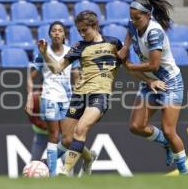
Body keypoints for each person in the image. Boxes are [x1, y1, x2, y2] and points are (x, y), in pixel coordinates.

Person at [38, 10, 127, 176]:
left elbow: (128, 64)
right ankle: (88, 157)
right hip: (79, 95)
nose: (81, 33)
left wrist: (150, 80)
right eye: (79, 31)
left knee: (81, 129)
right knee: (67, 139)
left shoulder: (113, 43)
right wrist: (44, 54)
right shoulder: (79, 46)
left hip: (100, 94)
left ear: (95, 26)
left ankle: (65, 171)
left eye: (84, 30)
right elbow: (57, 68)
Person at [120, 0, 188, 174]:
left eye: (138, 18)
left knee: (168, 130)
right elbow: (129, 32)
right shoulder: (133, 24)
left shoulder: (154, 32)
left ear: (148, 15)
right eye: (132, 17)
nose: (134, 21)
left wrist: (129, 65)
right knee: (136, 126)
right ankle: (166, 145)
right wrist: (125, 48)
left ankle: (185, 173)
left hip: (170, 83)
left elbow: (153, 65)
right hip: (150, 80)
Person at [25, 21, 80, 176]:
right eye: (54, 30)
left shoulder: (72, 52)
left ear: (64, 35)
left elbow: (75, 76)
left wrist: (79, 94)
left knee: (68, 138)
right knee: (54, 136)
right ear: (50, 34)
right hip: (49, 97)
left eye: (60, 30)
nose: (57, 33)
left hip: (67, 98)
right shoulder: (42, 52)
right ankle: (54, 174)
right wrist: (30, 96)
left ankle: (68, 172)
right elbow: (31, 76)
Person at [26, 90, 48, 161]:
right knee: (34, 160)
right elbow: (31, 116)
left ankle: (69, 172)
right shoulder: (34, 98)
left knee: (66, 159)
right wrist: (42, 125)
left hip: (56, 134)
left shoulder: (59, 96)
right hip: (40, 135)